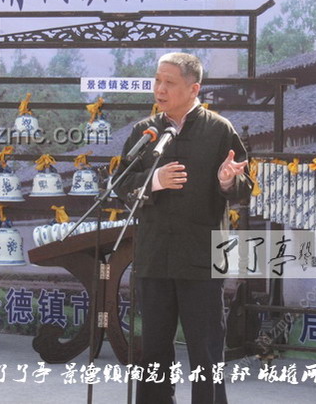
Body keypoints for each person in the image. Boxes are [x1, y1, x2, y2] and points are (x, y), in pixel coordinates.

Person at [116, 53, 251, 404]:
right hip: (154, 257)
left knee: (207, 352)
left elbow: (243, 187)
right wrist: (154, 181)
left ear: (194, 89)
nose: (159, 89)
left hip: (201, 258)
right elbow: (119, 186)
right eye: (157, 80)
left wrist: (227, 182)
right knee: (153, 352)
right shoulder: (145, 133)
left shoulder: (219, 130)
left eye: (169, 82)